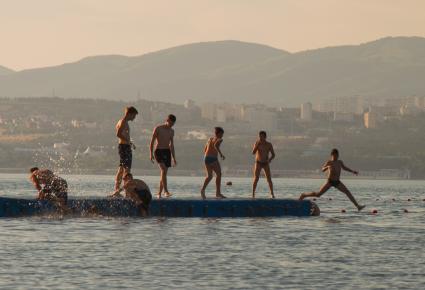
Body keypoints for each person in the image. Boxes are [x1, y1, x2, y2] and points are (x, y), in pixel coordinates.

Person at [299, 148, 366, 211]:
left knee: (347, 192)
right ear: (332, 155)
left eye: (337, 155)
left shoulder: (340, 162)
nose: (336, 157)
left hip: (337, 182)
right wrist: (327, 167)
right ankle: (304, 195)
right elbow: (322, 169)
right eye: (335, 155)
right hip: (330, 181)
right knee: (318, 194)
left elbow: (344, 168)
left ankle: (358, 206)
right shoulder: (329, 162)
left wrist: (352, 171)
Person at [150, 114, 177, 198]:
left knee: (164, 173)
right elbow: (152, 141)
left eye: (173, 124)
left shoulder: (172, 131)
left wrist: (174, 157)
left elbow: (171, 145)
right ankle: (166, 191)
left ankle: (159, 193)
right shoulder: (158, 128)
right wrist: (150, 154)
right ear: (167, 120)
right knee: (163, 170)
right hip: (158, 151)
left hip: (167, 152)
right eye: (170, 123)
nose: (171, 125)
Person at [113, 106, 138, 195]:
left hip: (124, 146)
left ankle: (117, 189)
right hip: (124, 147)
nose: (134, 118)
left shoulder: (121, 121)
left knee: (121, 169)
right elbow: (118, 134)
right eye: (134, 116)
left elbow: (123, 135)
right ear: (130, 114)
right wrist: (128, 142)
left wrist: (130, 143)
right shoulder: (123, 122)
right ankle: (126, 191)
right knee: (126, 170)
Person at [200, 127, 226, 199]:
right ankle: (218, 193)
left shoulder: (210, 139)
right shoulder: (220, 139)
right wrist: (221, 154)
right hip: (213, 158)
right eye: (222, 134)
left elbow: (205, 149)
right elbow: (216, 145)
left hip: (206, 158)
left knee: (209, 176)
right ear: (219, 133)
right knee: (219, 174)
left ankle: (202, 190)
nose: (222, 135)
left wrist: (207, 156)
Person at [252, 131, 275, 199]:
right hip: (258, 162)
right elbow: (253, 152)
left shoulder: (269, 144)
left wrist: (269, 160)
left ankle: (272, 193)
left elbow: (273, 155)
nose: (260, 138)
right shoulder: (257, 143)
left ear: (265, 137)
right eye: (259, 136)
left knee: (269, 179)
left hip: (265, 163)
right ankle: (253, 193)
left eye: (261, 136)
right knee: (256, 178)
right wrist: (257, 146)